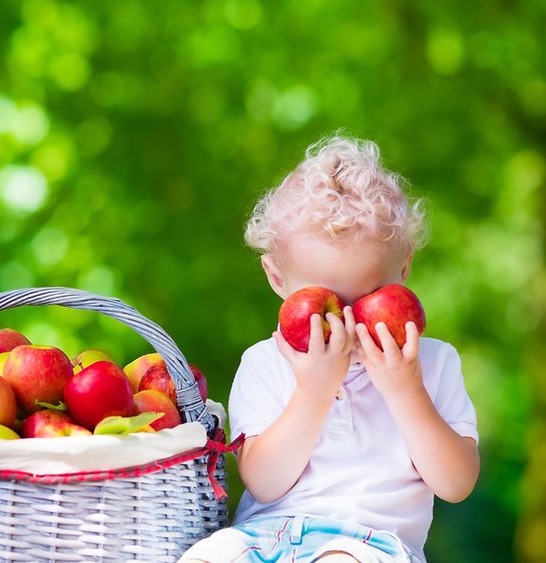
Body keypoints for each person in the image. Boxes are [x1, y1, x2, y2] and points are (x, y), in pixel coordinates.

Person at [179, 135, 479, 563]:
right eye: (330, 303)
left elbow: (457, 483)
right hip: (265, 537)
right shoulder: (266, 363)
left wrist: (405, 390)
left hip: (372, 545)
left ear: (406, 265)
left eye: (373, 296)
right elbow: (264, 483)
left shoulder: (431, 362)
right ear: (277, 278)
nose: (352, 324)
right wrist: (313, 392)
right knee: (209, 555)